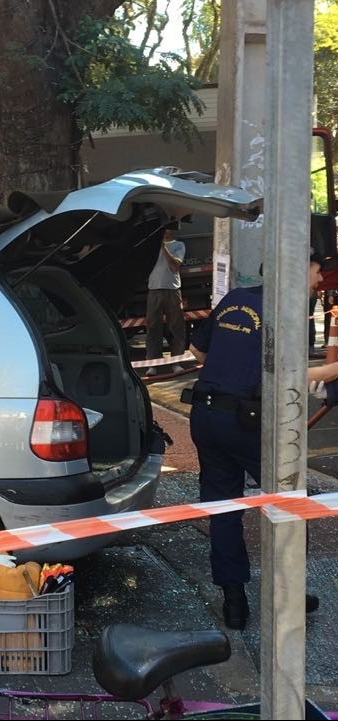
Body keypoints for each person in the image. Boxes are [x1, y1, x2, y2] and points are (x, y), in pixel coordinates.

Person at [187, 247, 338, 630]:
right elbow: (287, 379)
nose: (320, 280)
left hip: (205, 415)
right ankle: (288, 592)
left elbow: (196, 350)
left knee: (222, 508)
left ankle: (234, 602)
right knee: (287, 503)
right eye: (317, 271)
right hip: (246, 422)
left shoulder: (234, 299)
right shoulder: (285, 312)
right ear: (296, 269)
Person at [144, 225, 187, 376]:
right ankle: (153, 363)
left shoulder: (178, 245)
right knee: (153, 327)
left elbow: (174, 266)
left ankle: (176, 362)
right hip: (154, 290)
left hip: (172, 290)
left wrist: (163, 248)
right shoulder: (151, 247)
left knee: (176, 326)